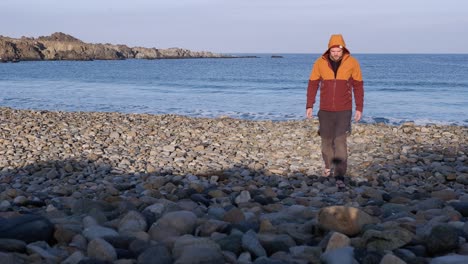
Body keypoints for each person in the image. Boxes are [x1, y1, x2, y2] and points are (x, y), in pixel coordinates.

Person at [305, 34, 364, 189]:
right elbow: (312, 84)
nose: (336, 53)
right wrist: (309, 105)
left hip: (344, 110)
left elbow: (358, 86)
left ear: (343, 49)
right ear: (329, 49)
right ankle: (328, 165)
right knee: (326, 141)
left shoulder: (352, 62)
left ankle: (339, 175)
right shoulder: (320, 63)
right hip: (325, 110)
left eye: (339, 50)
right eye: (333, 50)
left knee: (339, 141)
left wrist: (359, 108)